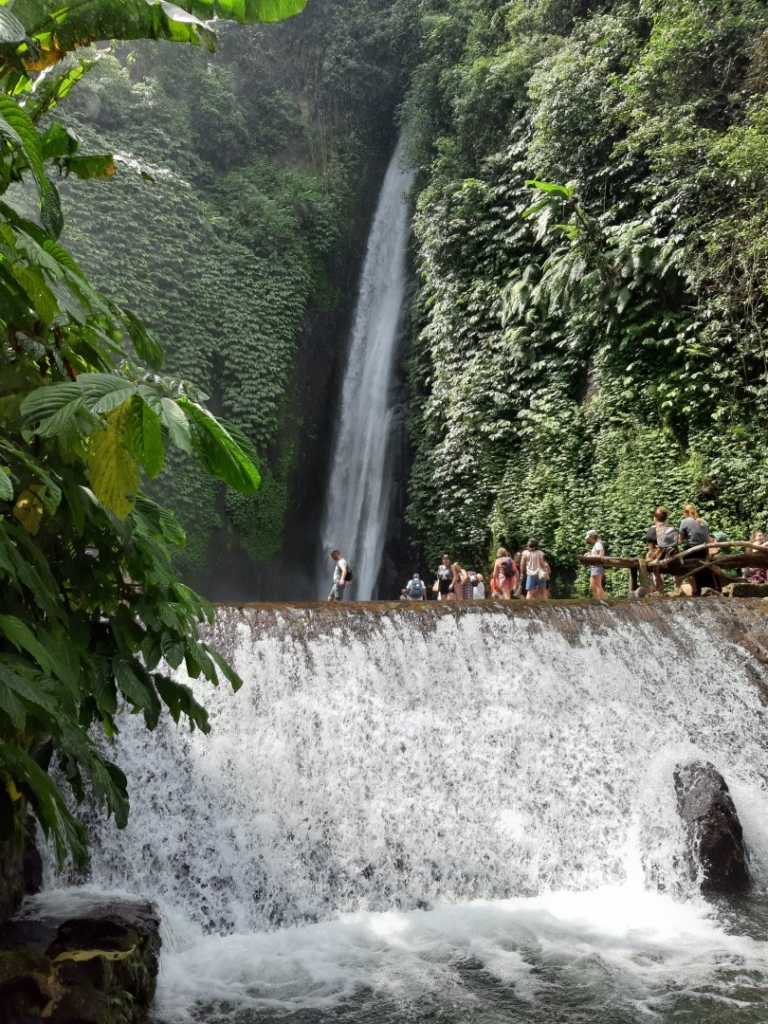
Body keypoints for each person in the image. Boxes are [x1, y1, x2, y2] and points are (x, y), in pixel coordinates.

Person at [679, 503, 712, 595]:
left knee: (686, 567)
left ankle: (694, 590)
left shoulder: (684, 521)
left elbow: (680, 540)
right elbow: (707, 538)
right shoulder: (704, 521)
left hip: (692, 550)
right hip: (704, 551)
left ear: (685, 513)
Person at [645, 507, 679, 594]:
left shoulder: (652, 530)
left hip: (659, 557)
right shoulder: (671, 527)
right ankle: (677, 589)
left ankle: (659, 590)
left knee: (649, 557)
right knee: (677, 569)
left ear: (655, 518)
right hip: (673, 555)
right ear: (666, 517)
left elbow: (651, 549)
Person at [584, 529, 605, 600]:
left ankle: (601, 601)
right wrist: (590, 553)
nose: (588, 540)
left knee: (598, 585)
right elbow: (596, 554)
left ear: (592, 536)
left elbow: (601, 555)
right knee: (592, 586)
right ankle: (597, 599)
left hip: (597, 566)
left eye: (589, 537)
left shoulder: (598, 544)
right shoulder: (596, 544)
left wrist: (590, 556)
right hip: (594, 566)